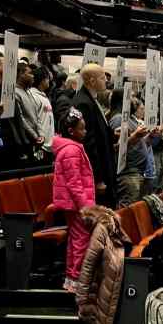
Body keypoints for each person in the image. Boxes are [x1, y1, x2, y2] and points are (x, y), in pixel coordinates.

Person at [52, 107, 96, 293]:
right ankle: (77, 279)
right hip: (77, 205)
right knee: (81, 241)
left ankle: (72, 278)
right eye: (82, 129)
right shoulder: (71, 150)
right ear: (71, 131)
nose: (85, 132)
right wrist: (86, 207)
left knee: (75, 240)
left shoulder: (70, 148)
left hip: (74, 205)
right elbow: (74, 183)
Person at [72, 63, 117, 207]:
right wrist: (97, 179)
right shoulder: (83, 103)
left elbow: (98, 130)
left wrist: (111, 133)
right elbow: (88, 144)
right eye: (103, 78)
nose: (106, 81)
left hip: (106, 165)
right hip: (99, 171)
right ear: (92, 81)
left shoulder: (92, 99)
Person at [108, 93, 149, 208]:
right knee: (128, 211)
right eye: (131, 97)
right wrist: (136, 136)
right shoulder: (118, 119)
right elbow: (117, 147)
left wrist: (149, 137)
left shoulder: (129, 118)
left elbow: (136, 142)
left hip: (137, 172)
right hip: (128, 173)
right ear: (122, 101)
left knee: (136, 209)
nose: (134, 100)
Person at [14, 62, 44, 162]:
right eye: (30, 73)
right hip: (26, 140)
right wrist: (35, 136)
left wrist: (41, 133)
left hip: (35, 139)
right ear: (21, 74)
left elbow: (37, 115)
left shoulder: (29, 92)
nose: (33, 76)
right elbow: (21, 119)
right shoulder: (15, 93)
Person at [30, 65, 55, 155]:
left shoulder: (43, 96)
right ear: (42, 80)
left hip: (48, 145)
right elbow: (33, 121)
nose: (49, 81)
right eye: (47, 78)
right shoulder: (34, 96)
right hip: (40, 145)